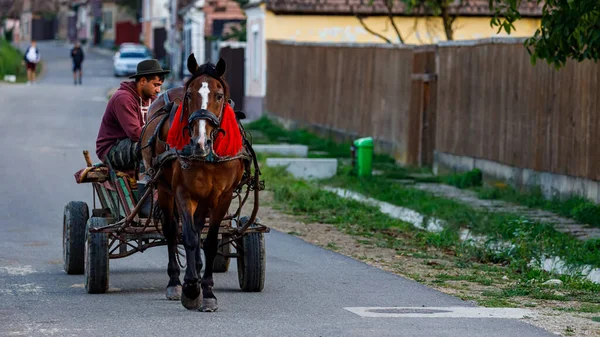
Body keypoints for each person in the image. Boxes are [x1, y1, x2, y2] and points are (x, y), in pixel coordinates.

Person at [96, 59, 170, 172]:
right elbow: (135, 134)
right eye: (156, 85)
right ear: (143, 81)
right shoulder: (123, 98)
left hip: (138, 142)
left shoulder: (154, 100)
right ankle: (144, 183)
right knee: (146, 146)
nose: (158, 90)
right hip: (112, 149)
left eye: (160, 86)